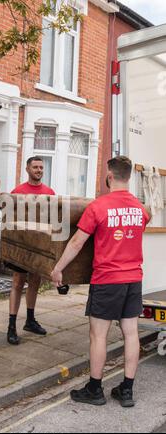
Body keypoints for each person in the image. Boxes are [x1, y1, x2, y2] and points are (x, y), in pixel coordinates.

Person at [51, 156, 151, 408]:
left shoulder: (98, 206)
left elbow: (76, 242)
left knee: (98, 335)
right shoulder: (140, 209)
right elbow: (139, 224)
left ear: (109, 176)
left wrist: (58, 269)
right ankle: (126, 390)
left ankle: (95, 389)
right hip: (133, 278)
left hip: (107, 279)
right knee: (131, 333)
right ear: (129, 177)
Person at [7, 156, 55, 345]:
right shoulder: (17, 192)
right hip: (21, 246)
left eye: (41, 167)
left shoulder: (50, 193)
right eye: (35, 167)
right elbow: (8, 220)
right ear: (27, 169)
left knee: (35, 282)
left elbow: (54, 219)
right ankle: (11, 326)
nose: (39, 170)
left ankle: (30, 320)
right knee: (18, 283)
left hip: (40, 246)